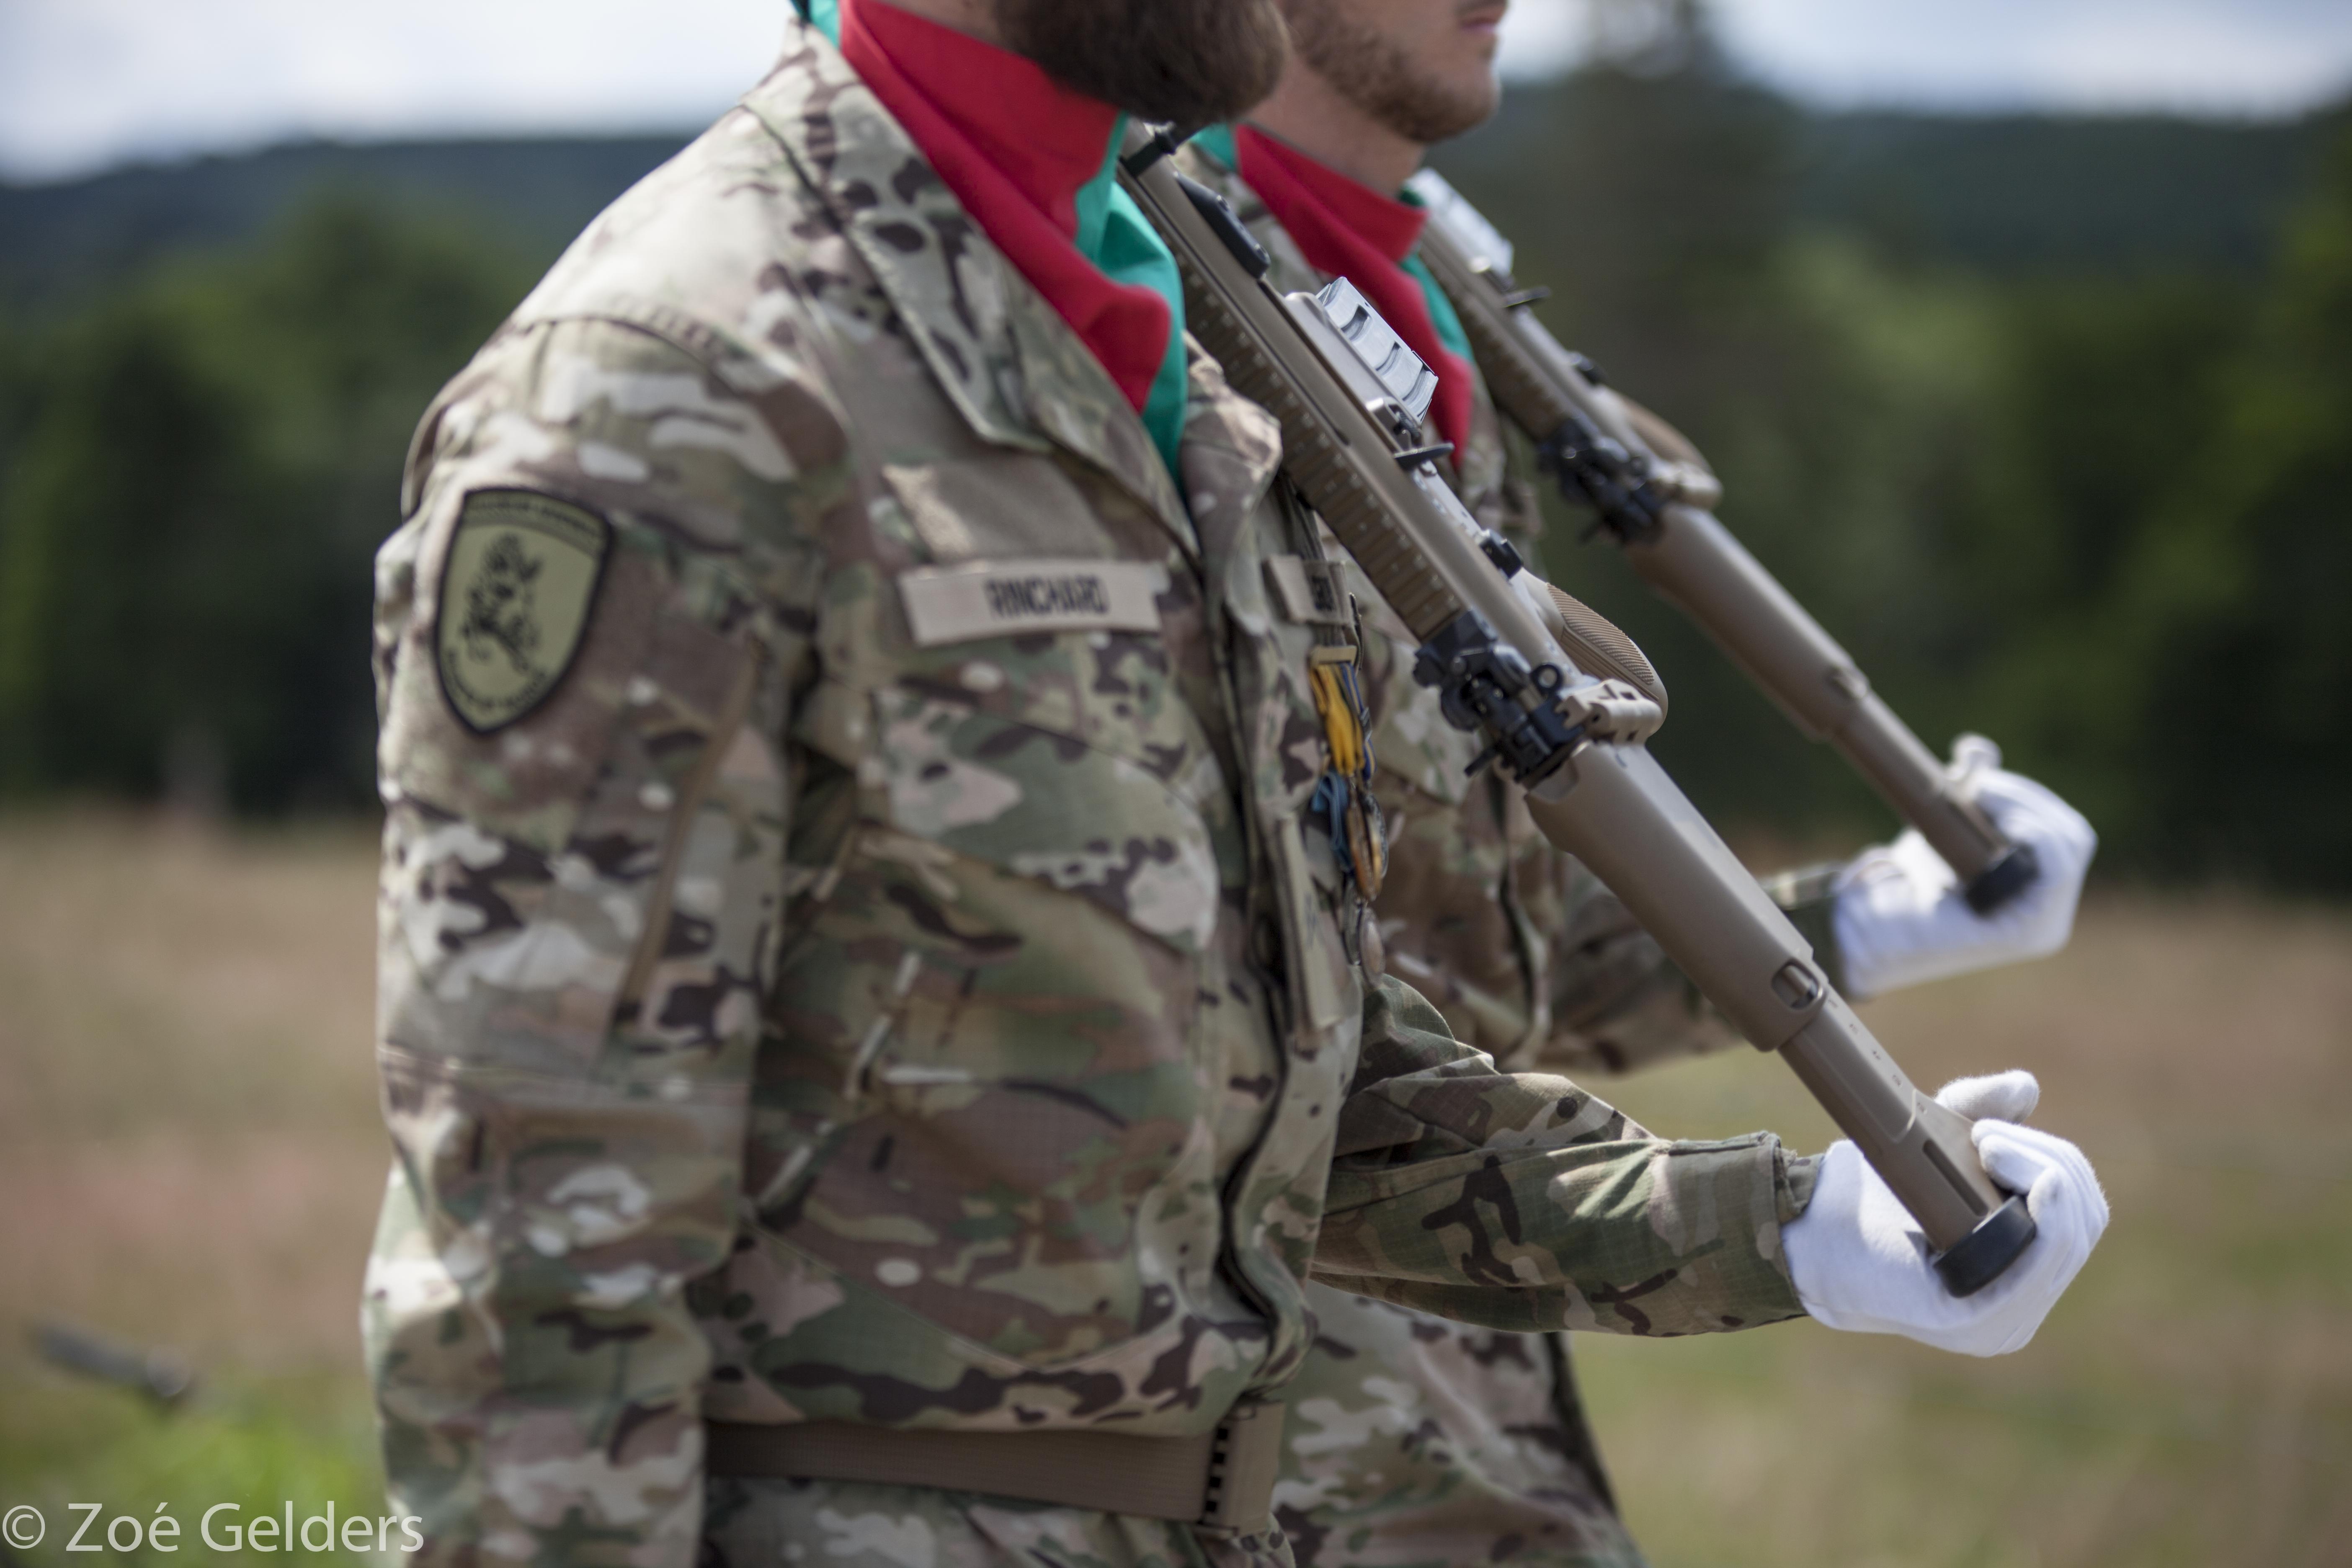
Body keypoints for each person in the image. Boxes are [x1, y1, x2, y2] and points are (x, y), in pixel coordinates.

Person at [359, 3, 2107, 1566]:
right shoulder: (676, 387)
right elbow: (537, 1270)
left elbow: (1290, 1072)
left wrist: (1796, 1226)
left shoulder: (1188, 387)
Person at [1169, 2, 2102, 1563]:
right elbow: (1252, 1002)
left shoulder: (1385, 304)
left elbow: (1463, 946)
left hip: (1465, 1362)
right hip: (1285, 1405)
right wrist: (1783, 1228)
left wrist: (1856, 919)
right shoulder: (1184, 311)